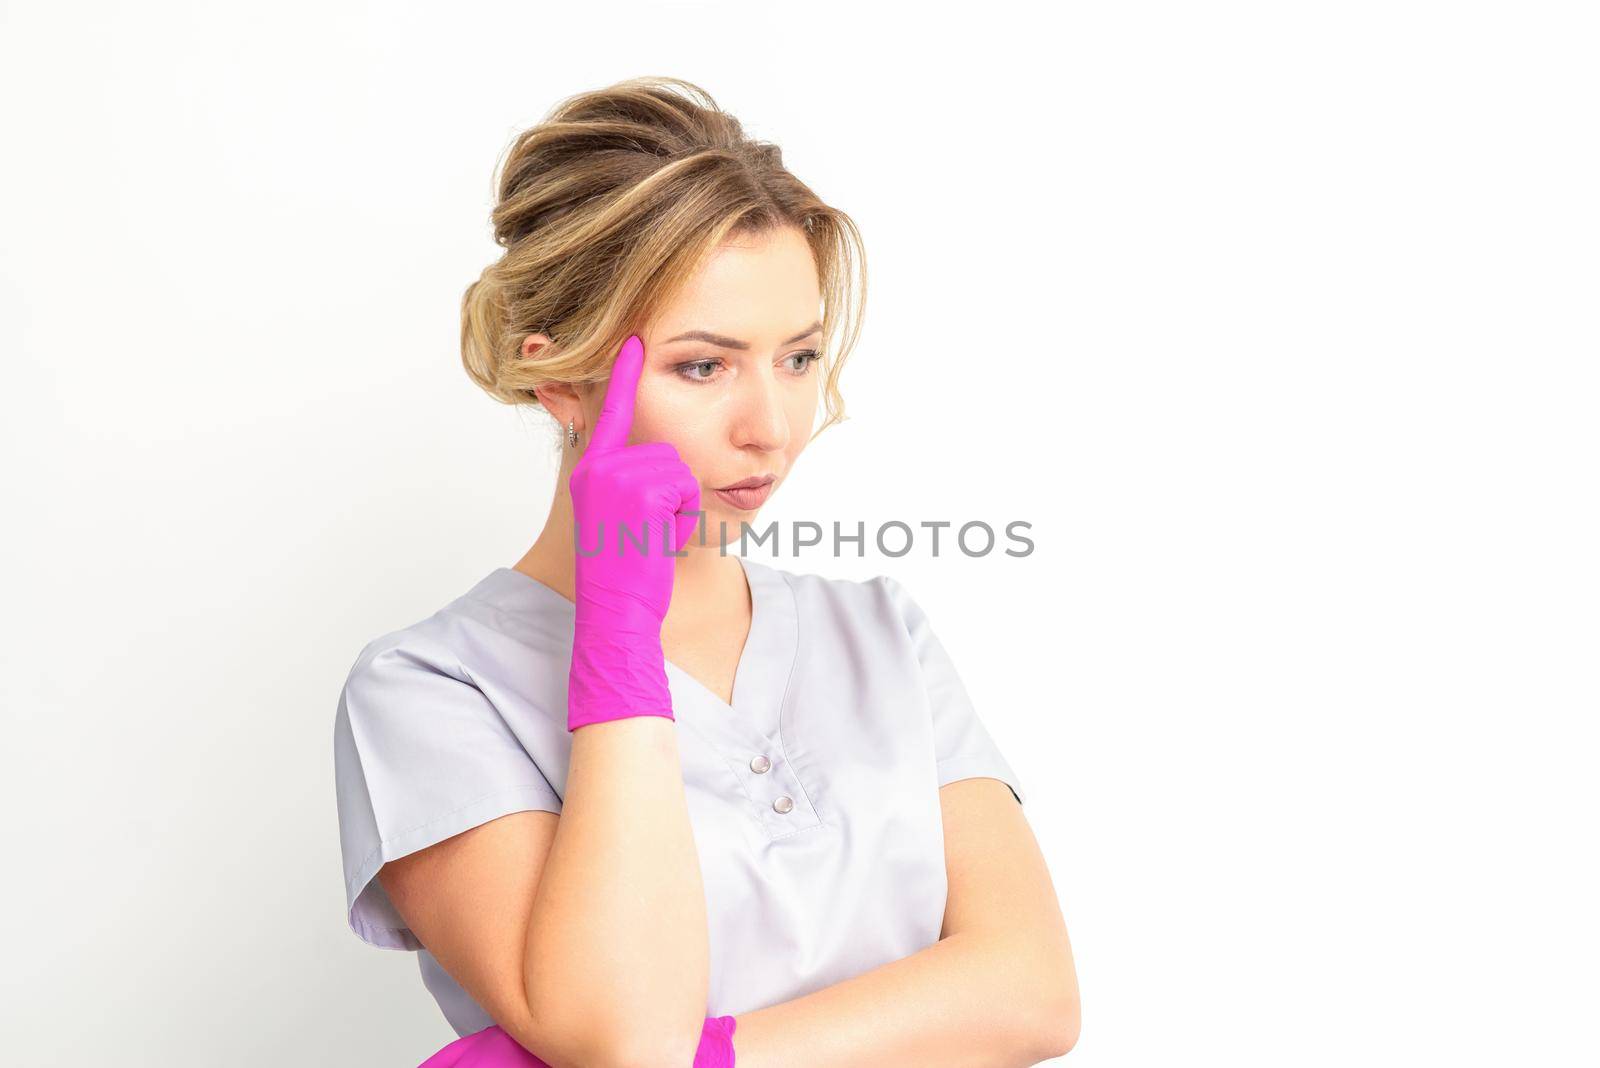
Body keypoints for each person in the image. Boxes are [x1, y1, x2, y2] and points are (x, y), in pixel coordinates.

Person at [333, 76, 1081, 1067]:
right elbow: (619, 1029)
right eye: (703, 366)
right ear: (561, 379)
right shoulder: (429, 692)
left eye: (800, 357)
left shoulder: (878, 633)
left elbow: (1032, 995)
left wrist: (710, 1058)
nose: (771, 427)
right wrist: (616, 642)